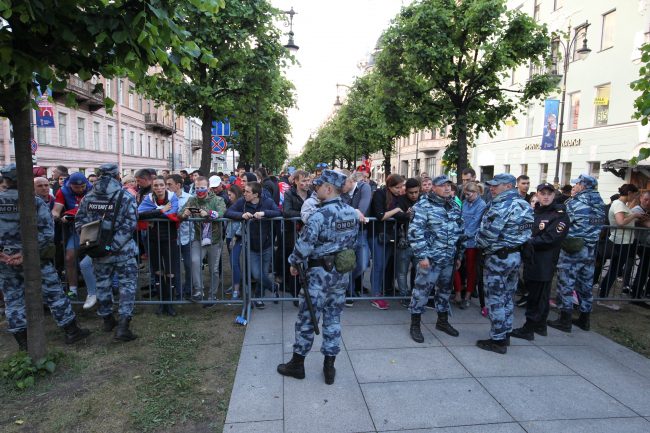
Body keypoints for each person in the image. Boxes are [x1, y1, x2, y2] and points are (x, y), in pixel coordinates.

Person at [277, 170, 359, 385]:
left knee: (307, 317)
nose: (316, 189)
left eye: (319, 186)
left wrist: (294, 263)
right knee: (333, 318)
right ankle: (329, 366)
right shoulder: (351, 212)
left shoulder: (320, 215)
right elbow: (353, 241)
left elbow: (304, 245)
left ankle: (297, 364)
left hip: (318, 276)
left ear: (329, 188)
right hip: (341, 275)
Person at [0, 164, 90, 351]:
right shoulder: (33, 202)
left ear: (5, 180)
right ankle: (71, 331)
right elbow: (46, 233)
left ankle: (23, 342)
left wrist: (5, 255)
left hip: (5, 260)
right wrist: (25, 254)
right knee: (54, 293)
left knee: (13, 299)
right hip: (34, 259)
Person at [75, 163, 139, 342]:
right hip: (122, 252)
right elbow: (129, 226)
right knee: (127, 286)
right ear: (117, 176)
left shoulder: (89, 197)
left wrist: (92, 244)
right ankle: (123, 327)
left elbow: (79, 222)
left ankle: (107, 319)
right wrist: (111, 247)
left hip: (97, 252)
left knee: (102, 285)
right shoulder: (125, 196)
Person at [475, 173, 534, 354]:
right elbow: (527, 232)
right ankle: (506, 332)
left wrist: (477, 241)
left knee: (496, 300)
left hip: (498, 259)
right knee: (508, 297)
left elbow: (488, 235)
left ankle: (498, 340)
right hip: (515, 256)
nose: (491, 188)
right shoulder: (523, 205)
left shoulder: (501, 205)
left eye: (496, 185)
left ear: (508, 186)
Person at [407, 175, 464, 343]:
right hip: (430, 259)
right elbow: (415, 233)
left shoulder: (454, 205)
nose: (447, 188)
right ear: (433, 188)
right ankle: (415, 324)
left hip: (449, 258)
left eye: (449, 185)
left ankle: (442, 321)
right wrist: (422, 256)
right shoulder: (423, 206)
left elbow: (460, 231)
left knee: (445, 291)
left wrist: (458, 255)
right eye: (442, 185)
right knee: (421, 292)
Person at [511, 183, 569, 341]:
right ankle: (540, 326)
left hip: (544, 261)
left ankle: (529, 328)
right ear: (537, 194)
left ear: (554, 195)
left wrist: (527, 241)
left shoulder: (559, 214)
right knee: (538, 294)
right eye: (542, 193)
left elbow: (551, 238)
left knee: (537, 297)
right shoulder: (535, 210)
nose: (546, 196)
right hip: (531, 259)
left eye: (549, 194)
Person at [547, 174, 605, 333]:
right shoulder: (600, 204)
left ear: (584, 186)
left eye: (577, 184)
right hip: (591, 249)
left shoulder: (575, 203)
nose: (575, 186)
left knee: (566, 282)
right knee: (585, 284)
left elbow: (563, 222)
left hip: (573, 249)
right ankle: (584, 319)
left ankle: (564, 319)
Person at [225, 181, 281, 309]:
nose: (244, 193)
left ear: (256, 195)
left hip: (266, 244)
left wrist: (264, 213)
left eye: (247, 191)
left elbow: (278, 212)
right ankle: (274, 287)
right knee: (256, 274)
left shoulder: (267, 202)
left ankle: (259, 298)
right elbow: (227, 213)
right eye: (244, 191)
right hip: (250, 245)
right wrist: (241, 215)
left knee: (264, 273)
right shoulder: (242, 202)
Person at [52, 172, 97, 305]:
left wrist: (71, 214)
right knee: (70, 257)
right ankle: (73, 289)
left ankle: (98, 290)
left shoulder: (92, 189)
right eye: (77, 187)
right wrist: (55, 216)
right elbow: (56, 209)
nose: (80, 189)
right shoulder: (63, 191)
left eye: (83, 186)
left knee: (94, 259)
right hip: (75, 231)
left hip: (92, 229)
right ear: (70, 185)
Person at [179, 176, 227, 303]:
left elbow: (222, 212)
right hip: (198, 239)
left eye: (202, 188)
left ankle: (212, 294)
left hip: (214, 240)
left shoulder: (218, 199)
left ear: (208, 188)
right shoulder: (192, 200)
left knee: (214, 269)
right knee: (194, 262)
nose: (199, 190)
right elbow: (180, 213)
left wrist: (210, 213)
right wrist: (184, 215)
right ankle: (198, 291)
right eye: (197, 187)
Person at [138, 176, 180, 316]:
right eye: (156, 185)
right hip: (153, 239)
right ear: (153, 187)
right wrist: (160, 211)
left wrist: (152, 216)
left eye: (161, 185)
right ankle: (162, 303)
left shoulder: (173, 197)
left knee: (170, 272)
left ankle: (170, 304)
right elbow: (139, 214)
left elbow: (173, 214)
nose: (159, 188)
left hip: (170, 239)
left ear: (165, 186)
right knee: (157, 271)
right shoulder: (148, 198)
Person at [597, 183, 642, 309]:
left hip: (623, 241)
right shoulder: (618, 204)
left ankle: (603, 295)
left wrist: (633, 215)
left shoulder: (621, 205)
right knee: (614, 270)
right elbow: (620, 222)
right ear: (629, 193)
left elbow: (625, 217)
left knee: (614, 270)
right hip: (621, 242)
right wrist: (634, 215)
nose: (634, 197)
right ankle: (603, 296)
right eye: (633, 195)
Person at [369, 173, 406, 310]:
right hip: (377, 234)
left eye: (401, 186)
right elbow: (380, 216)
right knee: (378, 265)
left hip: (390, 235)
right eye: (397, 187)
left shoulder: (398, 197)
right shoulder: (380, 193)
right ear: (390, 186)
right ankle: (375, 295)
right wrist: (396, 210)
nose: (400, 189)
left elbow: (401, 215)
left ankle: (378, 292)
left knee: (383, 265)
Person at [341, 171, 372, 307]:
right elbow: (339, 211)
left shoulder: (364, 187)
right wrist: (354, 211)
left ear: (350, 181)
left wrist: (355, 212)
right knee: (346, 263)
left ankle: (347, 285)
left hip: (361, 232)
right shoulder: (341, 192)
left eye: (343, 183)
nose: (340, 186)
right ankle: (349, 291)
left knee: (363, 263)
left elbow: (362, 210)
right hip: (345, 233)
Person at [453, 180, 487, 309]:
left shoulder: (481, 205)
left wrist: (464, 235)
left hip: (472, 242)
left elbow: (475, 224)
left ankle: (467, 295)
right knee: (456, 265)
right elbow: (461, 219)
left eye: (469, 194)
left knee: (471, 269)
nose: (466, 197)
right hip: (462, 239)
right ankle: (457, 293)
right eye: (465, 194)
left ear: (476, 192)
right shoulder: (465, 203)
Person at [283, 170, 311, 299]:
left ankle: (307, 291)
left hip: (310, 233)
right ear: (295, 181)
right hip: (293, 233)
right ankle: (295, 292)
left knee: (309, 263)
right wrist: (304, 214)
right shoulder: (289, 194)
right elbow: (287, 212)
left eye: (308, 180)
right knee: (295, 262)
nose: (306, 183)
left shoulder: (312, 194)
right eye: (303, 181)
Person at [394, 178, 420, 308]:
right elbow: (396, 214)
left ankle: (415, 295)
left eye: (416, 192)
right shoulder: (400, 200)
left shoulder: (423, 200)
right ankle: (404, 296)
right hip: (403, 242)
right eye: (411, 192)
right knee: (402, 271)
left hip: (419, 243)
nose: (414, 195)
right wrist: (406, 215)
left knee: (419, 271)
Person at [166, 174, 193, 299]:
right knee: (175, 266)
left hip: (187, 237)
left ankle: (189, 288)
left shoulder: (189, 198)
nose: (167, 187)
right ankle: (178, 291)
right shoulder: (166, 198)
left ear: (178, 185)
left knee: (188, 264)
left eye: (169, 184)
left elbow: (193, 217)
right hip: (172, 238)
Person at [225, 185, 243, 299]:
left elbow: (242, 221)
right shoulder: (231, 205)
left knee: (234, 261)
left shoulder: (242, 205)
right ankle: (236, 284)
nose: (228, 197)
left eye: (230, 194)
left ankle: (237, 290)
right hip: (229, 235)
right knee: (233, 263)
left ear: (236, 194)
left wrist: (236, 236)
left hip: (237, 237)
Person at [630, 191, 650, 299]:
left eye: (649, 200)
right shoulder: (637, 210)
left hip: (645, 244)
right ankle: (636, 293)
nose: (648, 202)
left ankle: (640, 291)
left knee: (644, 268)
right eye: (646, 199)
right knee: (643, 268)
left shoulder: (647, 211)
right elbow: (645, 223)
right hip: (638, 243)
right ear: (641, 198)